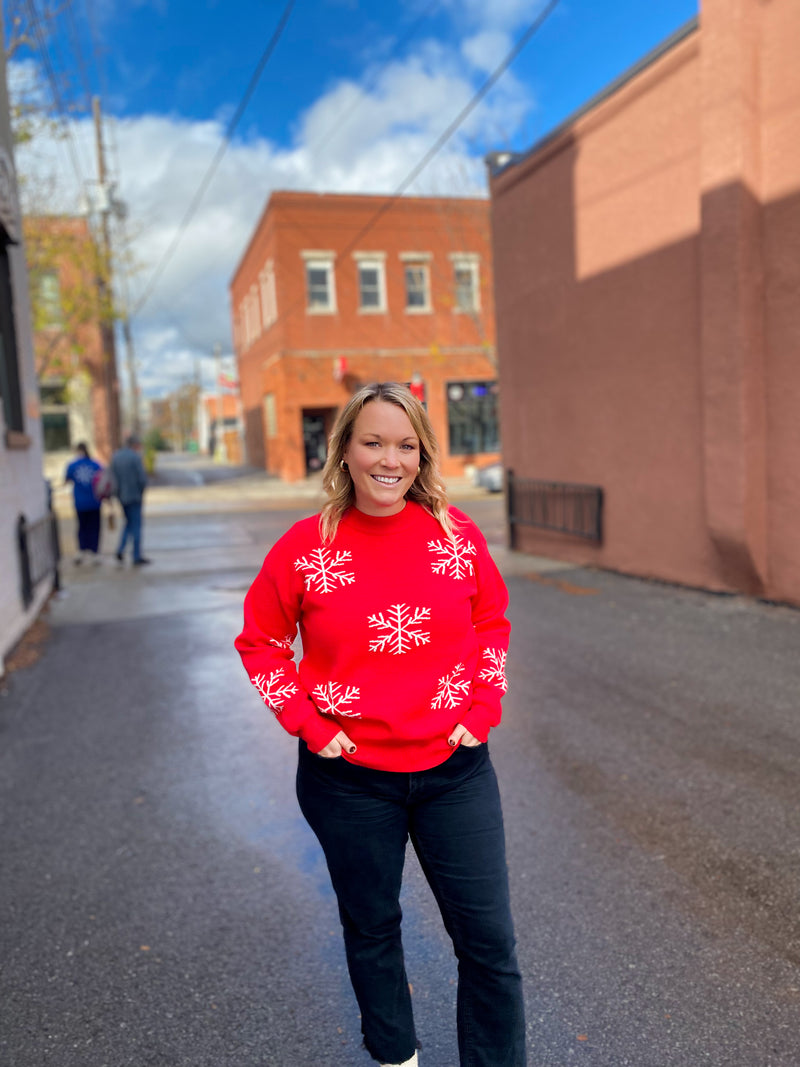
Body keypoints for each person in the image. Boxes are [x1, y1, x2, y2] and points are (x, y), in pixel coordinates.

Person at [235, 382, 525, 1067]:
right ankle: (398, 1056)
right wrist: (305, 721)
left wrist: (484, 708)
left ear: (422, 453)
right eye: (372, 441)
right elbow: (260, 641)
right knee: (372, 925)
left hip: (456, 773)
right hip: (349, 780)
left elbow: (491, 622)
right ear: (345, 451)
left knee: (488, 939)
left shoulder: (456, 537)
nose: (389, 459)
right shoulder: (306, 548)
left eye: (405, 444)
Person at [110, 433, 151, 566]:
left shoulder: (116, 457)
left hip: (122, 496)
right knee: (136, 525)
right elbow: (142, 479)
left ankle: (121, 549)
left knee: (128, 523)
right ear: (134, 445)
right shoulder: (135, 458)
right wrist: (141, 491)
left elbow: (112, 477)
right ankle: (136, 556)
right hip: (134, 496)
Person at [64, 442, 103, 565]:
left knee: (82, 526)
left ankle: (81, 550)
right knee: (95, 527)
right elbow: (103, 481)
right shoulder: (96, 464)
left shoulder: (72, 465)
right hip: (95, 501)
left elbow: (66, 480)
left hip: (80, 502)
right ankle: (94, 552)